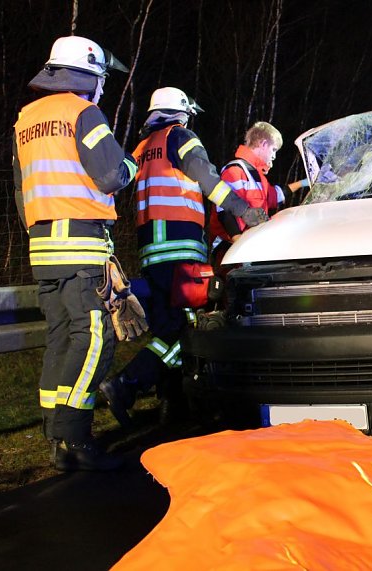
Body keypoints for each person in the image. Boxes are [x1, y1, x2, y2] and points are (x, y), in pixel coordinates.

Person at [99, 87, 268, 428]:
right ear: (182, 112)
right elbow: (209, 181)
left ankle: (170, 410)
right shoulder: (183, 136)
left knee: (166, 331)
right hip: (180, 250)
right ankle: (127, 384)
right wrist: (245, 212)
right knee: (188, 333)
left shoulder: (143, 148)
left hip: (151, 252)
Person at [13, 36, 136, 471]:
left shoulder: (25, 119)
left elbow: (20, 189)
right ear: (89, 77)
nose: (104, 87)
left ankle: (56, 438)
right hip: (81, 243)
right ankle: (75, 436)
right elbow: (109, 175)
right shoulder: (85, 112)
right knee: (94, 341)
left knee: (60, 339)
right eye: (103, 79)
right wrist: (131, 166)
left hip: (42, 245)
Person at [208, 121, 287, 266]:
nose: (274, 156)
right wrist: (240, 246)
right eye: (274, 149)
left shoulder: (257, 176)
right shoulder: (234, 170)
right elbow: (224, 211)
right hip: (231, 254)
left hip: (249, 250)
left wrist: (305, 183)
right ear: (263, 144)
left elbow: (277, 195)